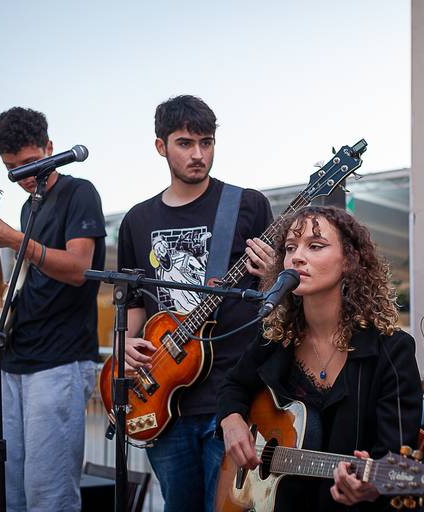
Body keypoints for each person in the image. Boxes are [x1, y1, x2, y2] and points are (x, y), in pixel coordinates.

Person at [118, 94, 275, 512]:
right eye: (185, 143)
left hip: (233, 397)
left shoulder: (247, 205)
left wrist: (272, 272)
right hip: (163, 396)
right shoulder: (137, 220)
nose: (198, 155)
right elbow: (134, 302)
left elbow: (274, 297)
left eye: (206, 143)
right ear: (161, 146)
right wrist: (126, 345)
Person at [218, 206, 423, 511]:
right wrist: (231, 420)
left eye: (315, 246)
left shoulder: (392, 350)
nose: (297, 257)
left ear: (350, 260)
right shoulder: (275, 337)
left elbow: (394, 455)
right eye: (290, 248)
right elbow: (234, 384)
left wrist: (368, 489)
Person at [0, 107, 106, 511]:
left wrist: (13, 239)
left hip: (58, 361)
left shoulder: (79, 193)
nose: (24, 177)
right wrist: (0, 291)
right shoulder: (29, 208)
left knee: (49, 492)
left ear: (50, 147)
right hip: (14, 355)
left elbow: (79, 269)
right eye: (13, 170)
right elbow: (36, 273)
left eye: (31, 164)